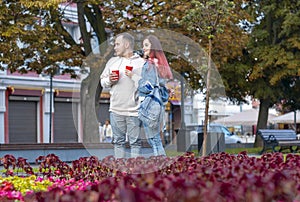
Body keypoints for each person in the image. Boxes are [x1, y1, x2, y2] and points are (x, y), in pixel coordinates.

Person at [100, 33, 145, 158]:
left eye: (117, 44)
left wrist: (133, 76)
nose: (115, 47)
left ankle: (134, 171)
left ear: (127, 44)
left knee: (135, 142)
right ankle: (120, 174)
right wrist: (110, 80)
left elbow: (146, 84)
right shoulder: (112, 62)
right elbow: (102, 81)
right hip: (116, 109)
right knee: (118, 142)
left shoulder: (141, 63)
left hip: (134, 111)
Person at [137, 35, 173, 156]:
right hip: (157, 105)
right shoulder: (159, 65)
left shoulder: (150, 64)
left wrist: (138, 85)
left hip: (149, 104)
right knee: (155, 138)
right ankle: (161, 163)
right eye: (143, 45)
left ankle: (161, 163)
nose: (143, 48)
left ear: (153, 48)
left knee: (154, 139)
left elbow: (149, 85)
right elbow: (161, 84)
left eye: (146, 45)